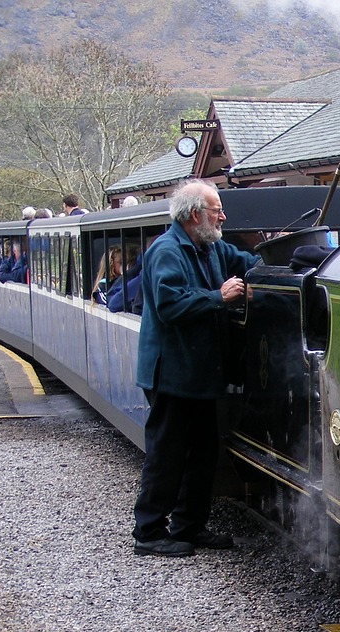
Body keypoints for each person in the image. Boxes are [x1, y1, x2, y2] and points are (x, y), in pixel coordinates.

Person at [131, 179, 260, 557]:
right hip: (172, 373)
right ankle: (149, 531)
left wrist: (291, 256)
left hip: (201, 373)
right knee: (168, 453)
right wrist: (217, 297)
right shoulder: (166, 252)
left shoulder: (211, 246)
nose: (223, 216)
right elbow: (170, 306)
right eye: (216, 209)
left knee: (203, 453)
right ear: (193, 215)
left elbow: (248, 262)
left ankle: (189, 525)